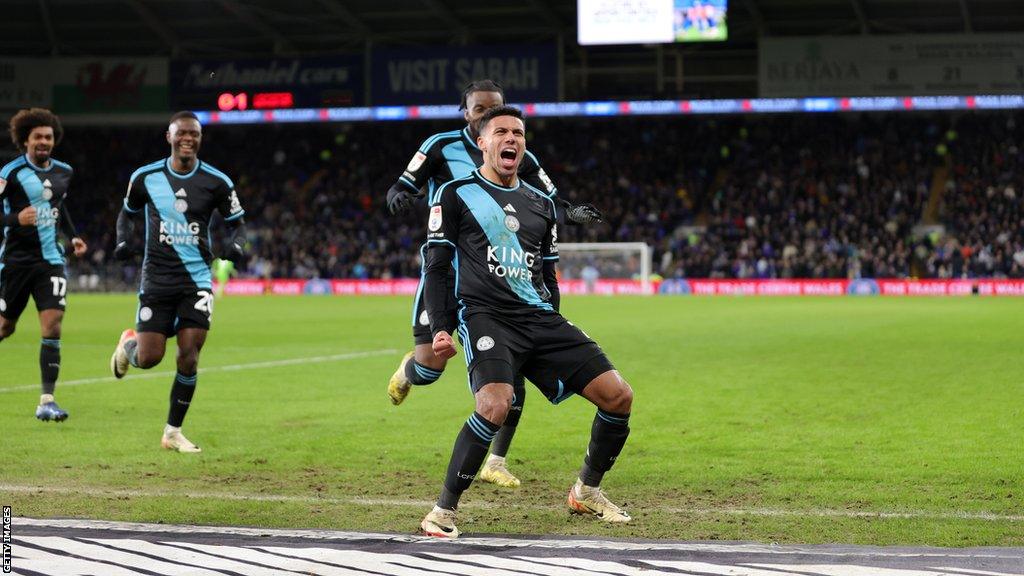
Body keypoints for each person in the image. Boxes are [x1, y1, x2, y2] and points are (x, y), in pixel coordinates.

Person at [419, 106, 634, 538]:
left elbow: (548, 274)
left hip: (539, 318)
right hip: (486, 317)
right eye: (501, 131)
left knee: (618, 396)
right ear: (482, 142)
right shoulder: (454, 193)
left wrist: (553, 319)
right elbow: (437, 267)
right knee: (495, 404)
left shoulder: (542, 204)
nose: (511, 138)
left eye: (518, 132)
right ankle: (441, 512)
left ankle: (586, 491)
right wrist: (441, 327)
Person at [384, 79, 603, 488]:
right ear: (467, 114)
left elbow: (551, 199)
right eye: (482, 110)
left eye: (497, 108)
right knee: (431, 367)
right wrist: (398, 194)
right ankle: (409, 371)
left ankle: (496, 460)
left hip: (503, 277)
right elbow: (405, 183)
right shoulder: (438, 146)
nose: (490, 115)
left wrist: (572, 213)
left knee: (512, 368)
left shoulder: (520, 152)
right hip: (449, 266)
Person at [109, 111, 247, 453]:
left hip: (197, 278)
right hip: (156, 278)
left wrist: (236, 245)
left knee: (189, 355)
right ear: (168, 137)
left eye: (194, 134)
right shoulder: (145, 177)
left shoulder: (217, 181)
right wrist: (123, 242)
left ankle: (172, 432)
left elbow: (237, 224)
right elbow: (126, 215)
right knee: (150, 357)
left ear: (200, 139)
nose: (188, 138)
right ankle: (129, 346)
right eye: (181, 133)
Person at [0, 108, 87, 422]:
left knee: (52, 325)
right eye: (37, 137)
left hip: (51, 260)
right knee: (5, 327)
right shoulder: (9, 172)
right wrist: (14, 219)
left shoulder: (64, 171)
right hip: (15, 261)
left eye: (48, 137)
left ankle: (47, 401)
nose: (43, 142)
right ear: (25, 140)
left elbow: (58, 207)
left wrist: (73, 236)